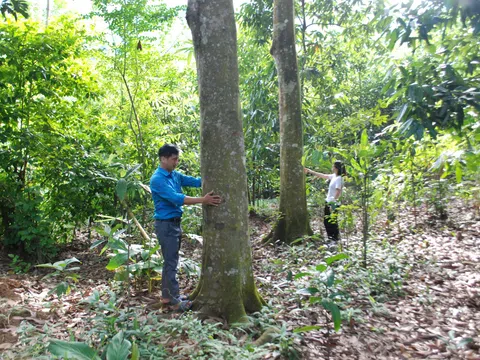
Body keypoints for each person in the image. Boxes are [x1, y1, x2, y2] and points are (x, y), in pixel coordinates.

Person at [150, 144, 221, 311]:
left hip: (174, 223)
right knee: (171, 262)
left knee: (171, 261)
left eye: (177, 159)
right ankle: (173, 301)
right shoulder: (158, 179)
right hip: (165, 225)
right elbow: (177, 198)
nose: (176, 162)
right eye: (174, 159)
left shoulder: (174, 175)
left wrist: (212, 178)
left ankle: (168, 297)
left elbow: (193, 181)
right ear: (163, 159)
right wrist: (203, 200)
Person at [304, 161, 346, 242]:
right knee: (327, 221)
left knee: (332, 222)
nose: (332, 168)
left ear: (336, 168)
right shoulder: (334, 176)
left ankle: (335, 239)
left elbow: (338, 191)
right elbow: (323, 176)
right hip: (329, 202)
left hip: (333, 203)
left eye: (333, 166)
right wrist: (310, 171)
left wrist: (332, 203)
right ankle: (331, 238)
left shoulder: (339, 178)